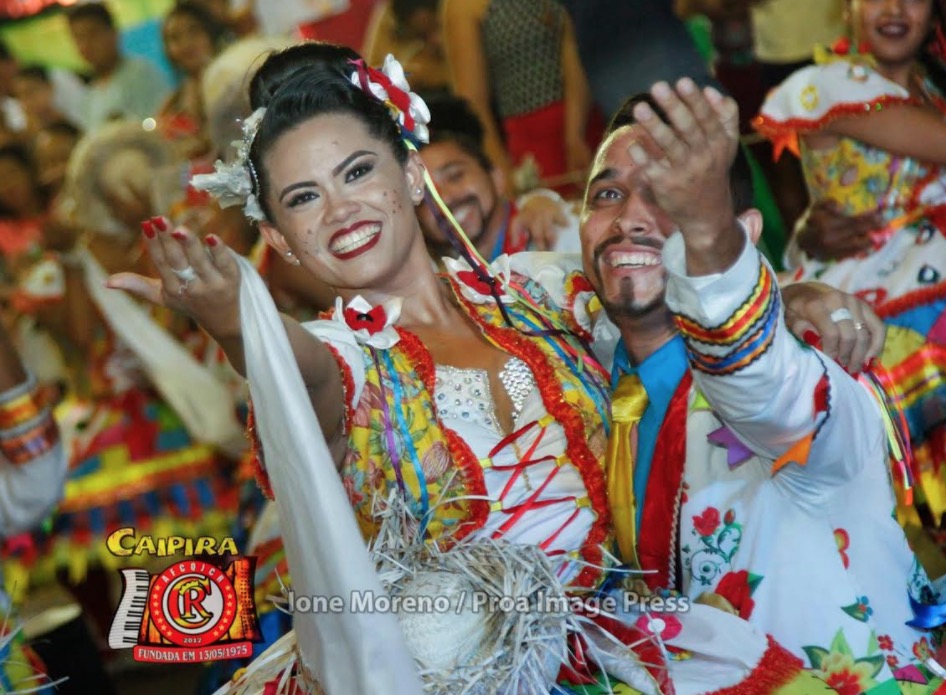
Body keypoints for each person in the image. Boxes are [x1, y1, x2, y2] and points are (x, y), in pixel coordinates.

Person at [111, 42, 903, 693]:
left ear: (410, 173)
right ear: (279, 240)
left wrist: (792, 289)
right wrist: (235, 320)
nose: (341, 209)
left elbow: (651, 273)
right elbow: (297, 370)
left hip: (628, 642)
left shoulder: (535, 286)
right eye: (303, 198)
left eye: (356, 173)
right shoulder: (342, 355)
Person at [754, 0, 946, 531]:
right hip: (874, 272)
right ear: (847, 7)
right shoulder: (831, 84)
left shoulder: (931, 86)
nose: (894, 9)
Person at [442, 0, 596, 193]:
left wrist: (575, 132)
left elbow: (574, 43)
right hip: (535, 141)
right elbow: (472, 102)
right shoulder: (463, 5)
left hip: (592, 114)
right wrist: (502, 176)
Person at [417, 93, 579, 260]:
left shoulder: (557, 237)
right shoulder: (436, 272)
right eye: (424, 195)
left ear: (496, 177)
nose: (444, 198)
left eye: (455, 176)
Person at [66, 2, 171, 132]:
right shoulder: (89, 97)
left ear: (113, 32)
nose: (86, 44)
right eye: (79, 37)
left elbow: (159, 124)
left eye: (93, 34)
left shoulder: (141, 73)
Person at [159, 1, 227, 159]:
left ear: (211, 34)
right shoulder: (173, 103)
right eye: (175, 38)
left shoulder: (232, 83)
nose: (186, 43)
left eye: (193, 31)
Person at [363, 0, 448, 94]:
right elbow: (371, 76)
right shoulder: (391, 14)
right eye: (421, 35)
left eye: (437, 27)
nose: (434, 40)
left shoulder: (455, 8)